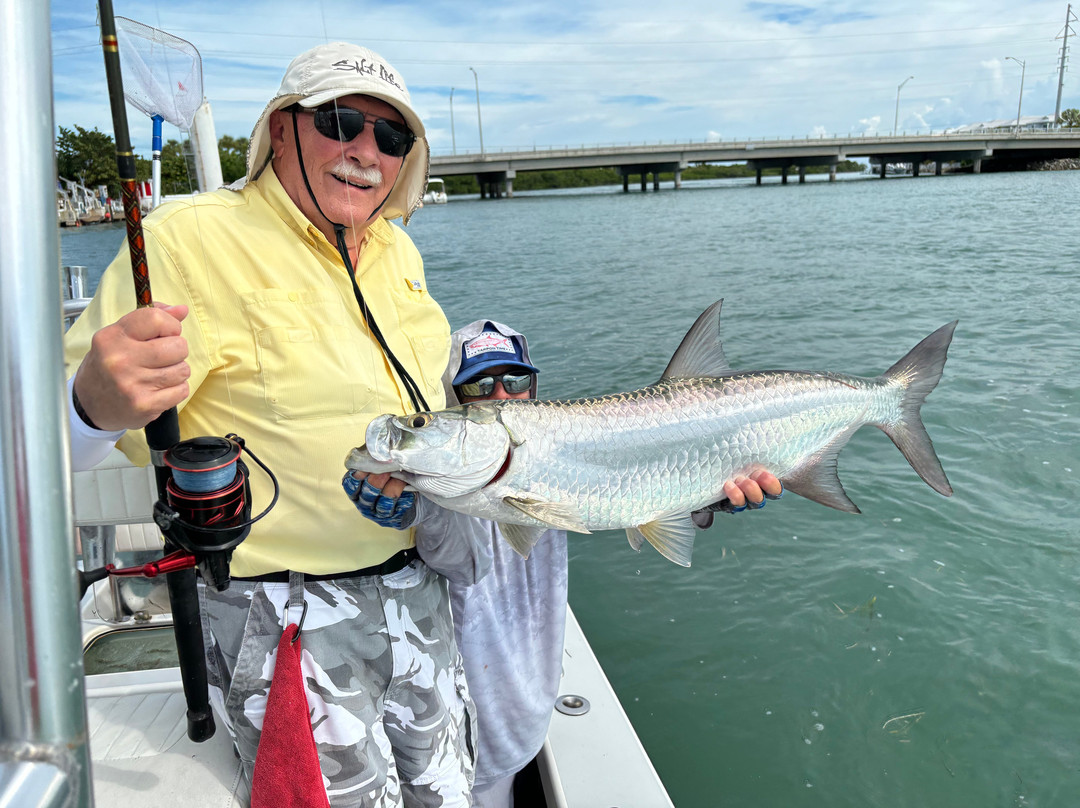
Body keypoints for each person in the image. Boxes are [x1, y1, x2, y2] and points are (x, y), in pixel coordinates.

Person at [64, 42, 474, 807]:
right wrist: (91, 403)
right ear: (281, 129)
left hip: (422, 594)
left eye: (391, 138)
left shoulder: (399, 248)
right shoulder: (187, 238)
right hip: (288, 616)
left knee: (450, 792)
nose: (366, 152)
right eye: (342, 121)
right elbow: (45, 443)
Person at [347, 322, 782, 808]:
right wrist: (415, 507)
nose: (501, 396)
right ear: (452, 397)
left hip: (526, 705)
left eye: (515, 382)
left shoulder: (541, 445)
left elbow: (646, 475)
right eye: (478, 386)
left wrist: (706, 498)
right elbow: (463, 563)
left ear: (534, 386)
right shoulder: (442, 480)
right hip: (454, 714)